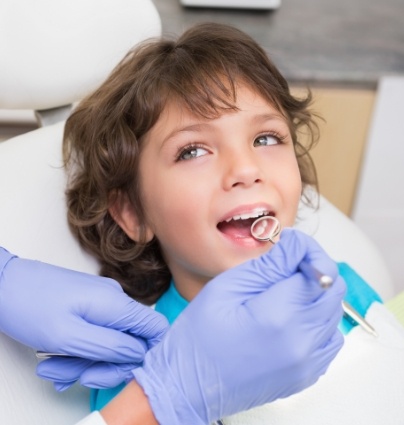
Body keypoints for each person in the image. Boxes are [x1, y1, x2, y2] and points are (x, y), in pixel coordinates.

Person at [0, 22, 347, 425]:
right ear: (133, 213)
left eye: (266, 139)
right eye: (193, 151)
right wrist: (170, 400)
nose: (247, 169)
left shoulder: (339, 283)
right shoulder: (143, 375)